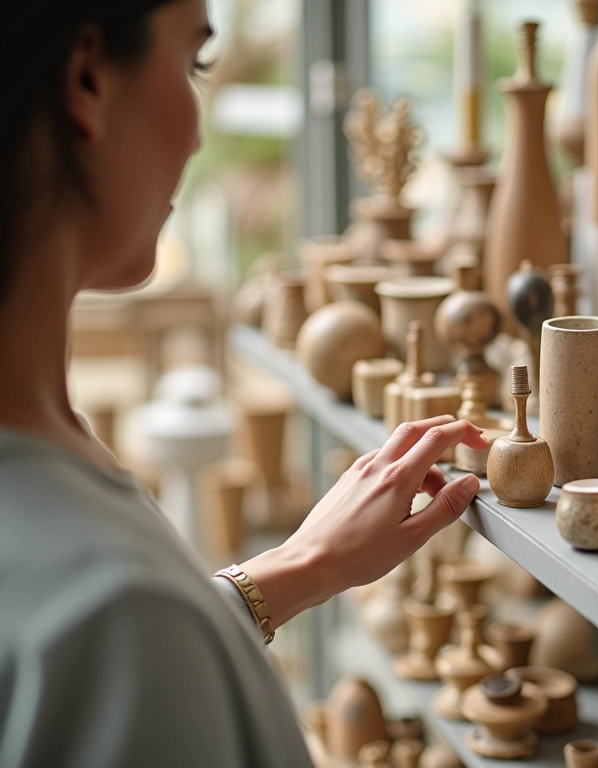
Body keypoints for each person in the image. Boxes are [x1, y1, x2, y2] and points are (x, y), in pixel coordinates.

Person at [0, 2, 487, 765]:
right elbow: (122, 643)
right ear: (88, 81)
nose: (198, 133)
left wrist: (296, 569)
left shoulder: (49, 461)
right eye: (193, 63)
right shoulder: (112, 617)